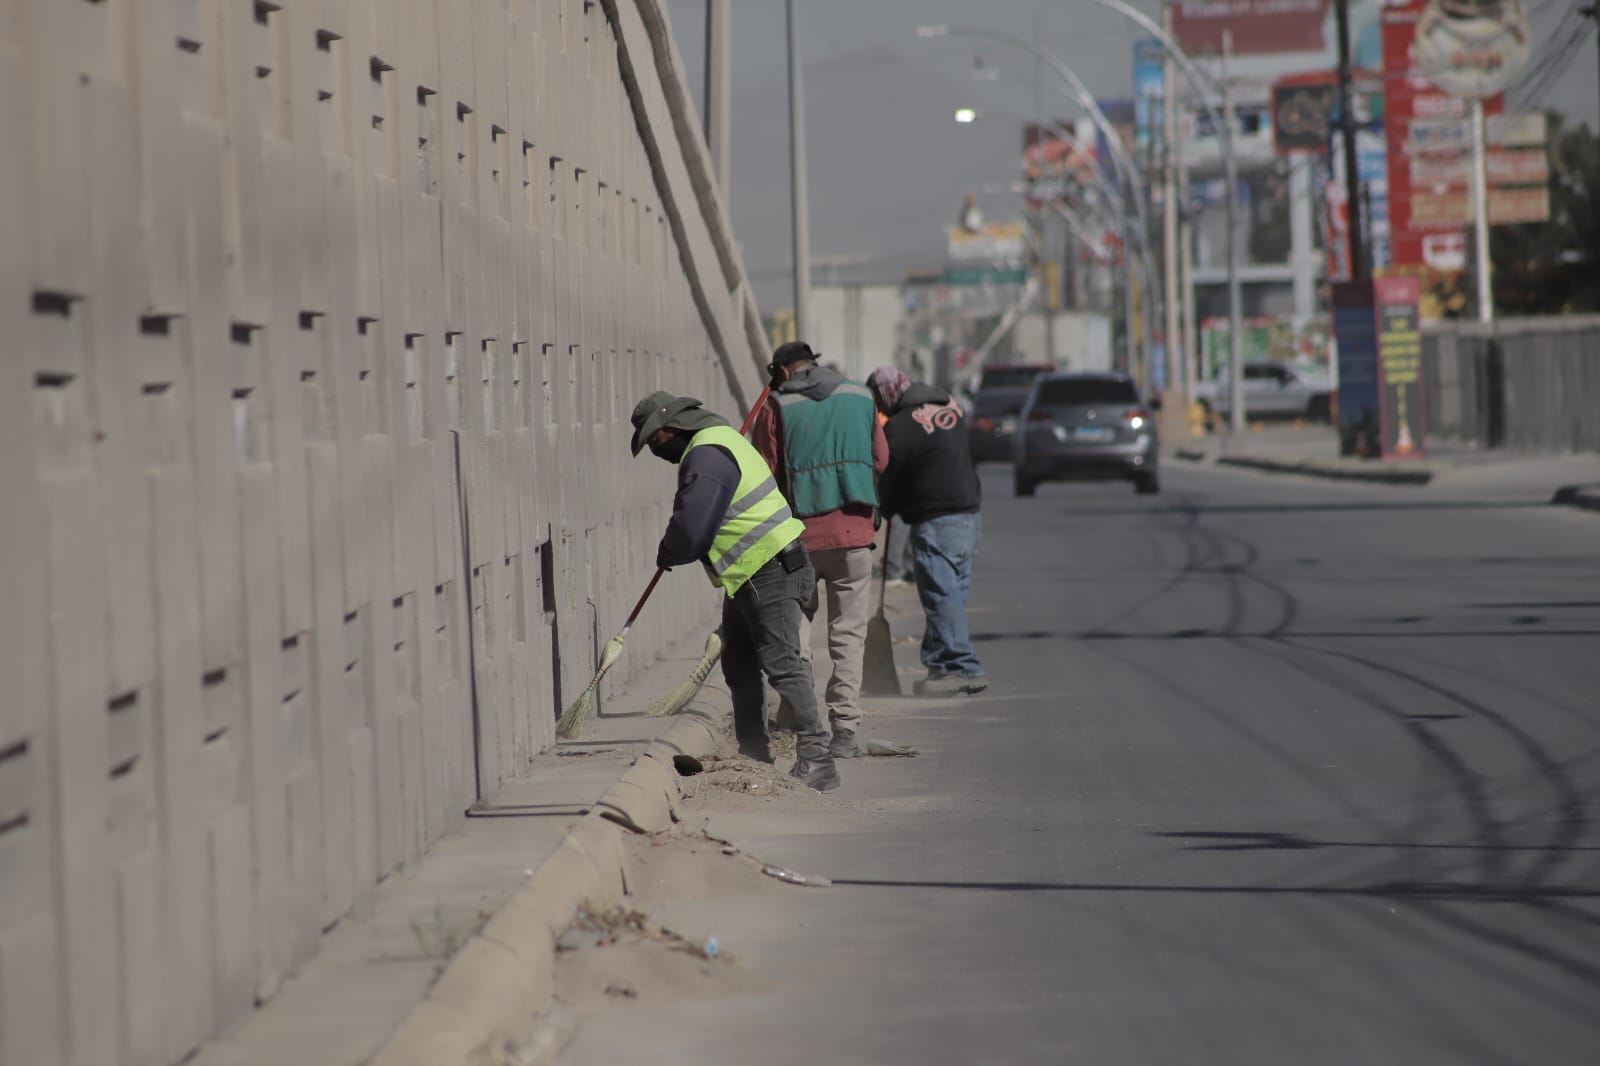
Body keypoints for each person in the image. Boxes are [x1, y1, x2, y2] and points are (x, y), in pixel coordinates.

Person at [629, 391, 839, 791]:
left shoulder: (707, 455)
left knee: (782, 664)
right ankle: (753, 754)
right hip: (747, 574)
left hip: (770, 568)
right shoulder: (715, 443)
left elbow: (692, 526)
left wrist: (670, 550)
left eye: (656, 442)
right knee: (739, 665)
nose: (659, 452)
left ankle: (818, 756)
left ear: (673, 427)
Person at [749, 342, 889, 759]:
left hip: (798, 539)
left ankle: (801, 707)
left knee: (796, 624)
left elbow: (763, 472)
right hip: (855, 532)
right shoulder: (862, 396)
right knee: (848, 633)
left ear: (784, 371)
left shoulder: (777, 406)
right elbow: (880, 459)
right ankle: (844, 728)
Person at [866, 367, 986, 696]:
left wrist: (884, 509)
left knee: (940, 596)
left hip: (937, 519)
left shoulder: (902, 428)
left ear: (888, 394)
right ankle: (940, 666)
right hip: (968, 515)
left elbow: (890, 479)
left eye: (878, 401)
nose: (880, 409)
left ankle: (963, 666)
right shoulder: (950, 406)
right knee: (952, 595)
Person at [867, 367, 916, 588]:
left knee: (899, 520)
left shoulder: (898, 417)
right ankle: (903, 566)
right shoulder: (899, 411)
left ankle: (897, 568)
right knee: (903, 520)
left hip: (900, 472)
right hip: (901, 472)